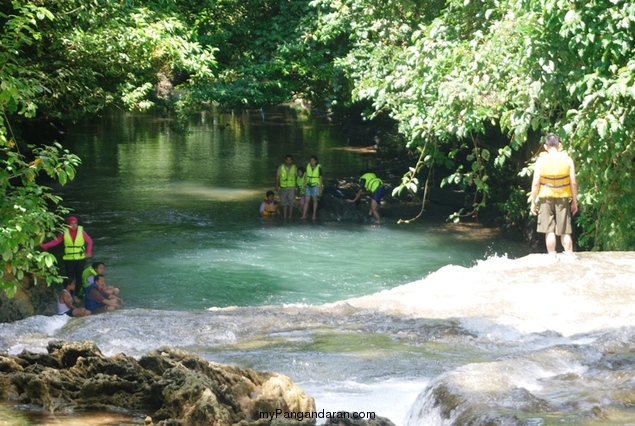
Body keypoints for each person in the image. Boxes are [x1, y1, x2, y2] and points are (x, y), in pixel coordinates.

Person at [530, 133, 578, 257]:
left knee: (549, 229)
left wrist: (533, 201)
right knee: (565, 230)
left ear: (545, 147)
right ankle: (569, 254)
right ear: (559, 145)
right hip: (563, 197)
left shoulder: (541, 160)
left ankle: (552, 255)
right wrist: (574, 201)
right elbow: (573, 182)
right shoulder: (567, 159)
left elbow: (536, 183)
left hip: (546, 198)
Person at [41, 216, 93, 302]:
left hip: (80, 258)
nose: (73, 225)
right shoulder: (64, 232)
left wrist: (88, 252)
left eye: (75, 223)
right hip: (69, 259)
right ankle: (70, 295)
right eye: (71, 224)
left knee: (79, 277)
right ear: (68, 225)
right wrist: (45, 246)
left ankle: (76, 295)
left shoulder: (81, 232)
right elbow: (56, 241)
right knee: (70, 278)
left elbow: (90, 241)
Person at [301, 155, 323, 220]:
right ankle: (304, 215)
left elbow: (321, 178)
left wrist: (320, 188)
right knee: (306, 200)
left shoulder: (319, 168)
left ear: (316, 161)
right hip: (308, 185)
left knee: (314, 200)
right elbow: (305, 176)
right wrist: (304, 185)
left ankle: (314, 215)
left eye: (313, 161)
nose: (312, 162)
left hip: (315, 185)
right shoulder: (308, 167)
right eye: (311, 161)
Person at [276, 154, 297, 219]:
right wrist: (277, 185)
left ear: (292, 160)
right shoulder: (281, 167)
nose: (288, 161)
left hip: (292, 187)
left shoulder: (294, 168)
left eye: (290, 160)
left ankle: (290, 216)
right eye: (287, 160)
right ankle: (285, 216)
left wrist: (296, 186)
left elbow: (297, 177)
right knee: (283, 202)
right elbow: (278, 177)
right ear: (285, 160)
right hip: (283, 186)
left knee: (291, 202)